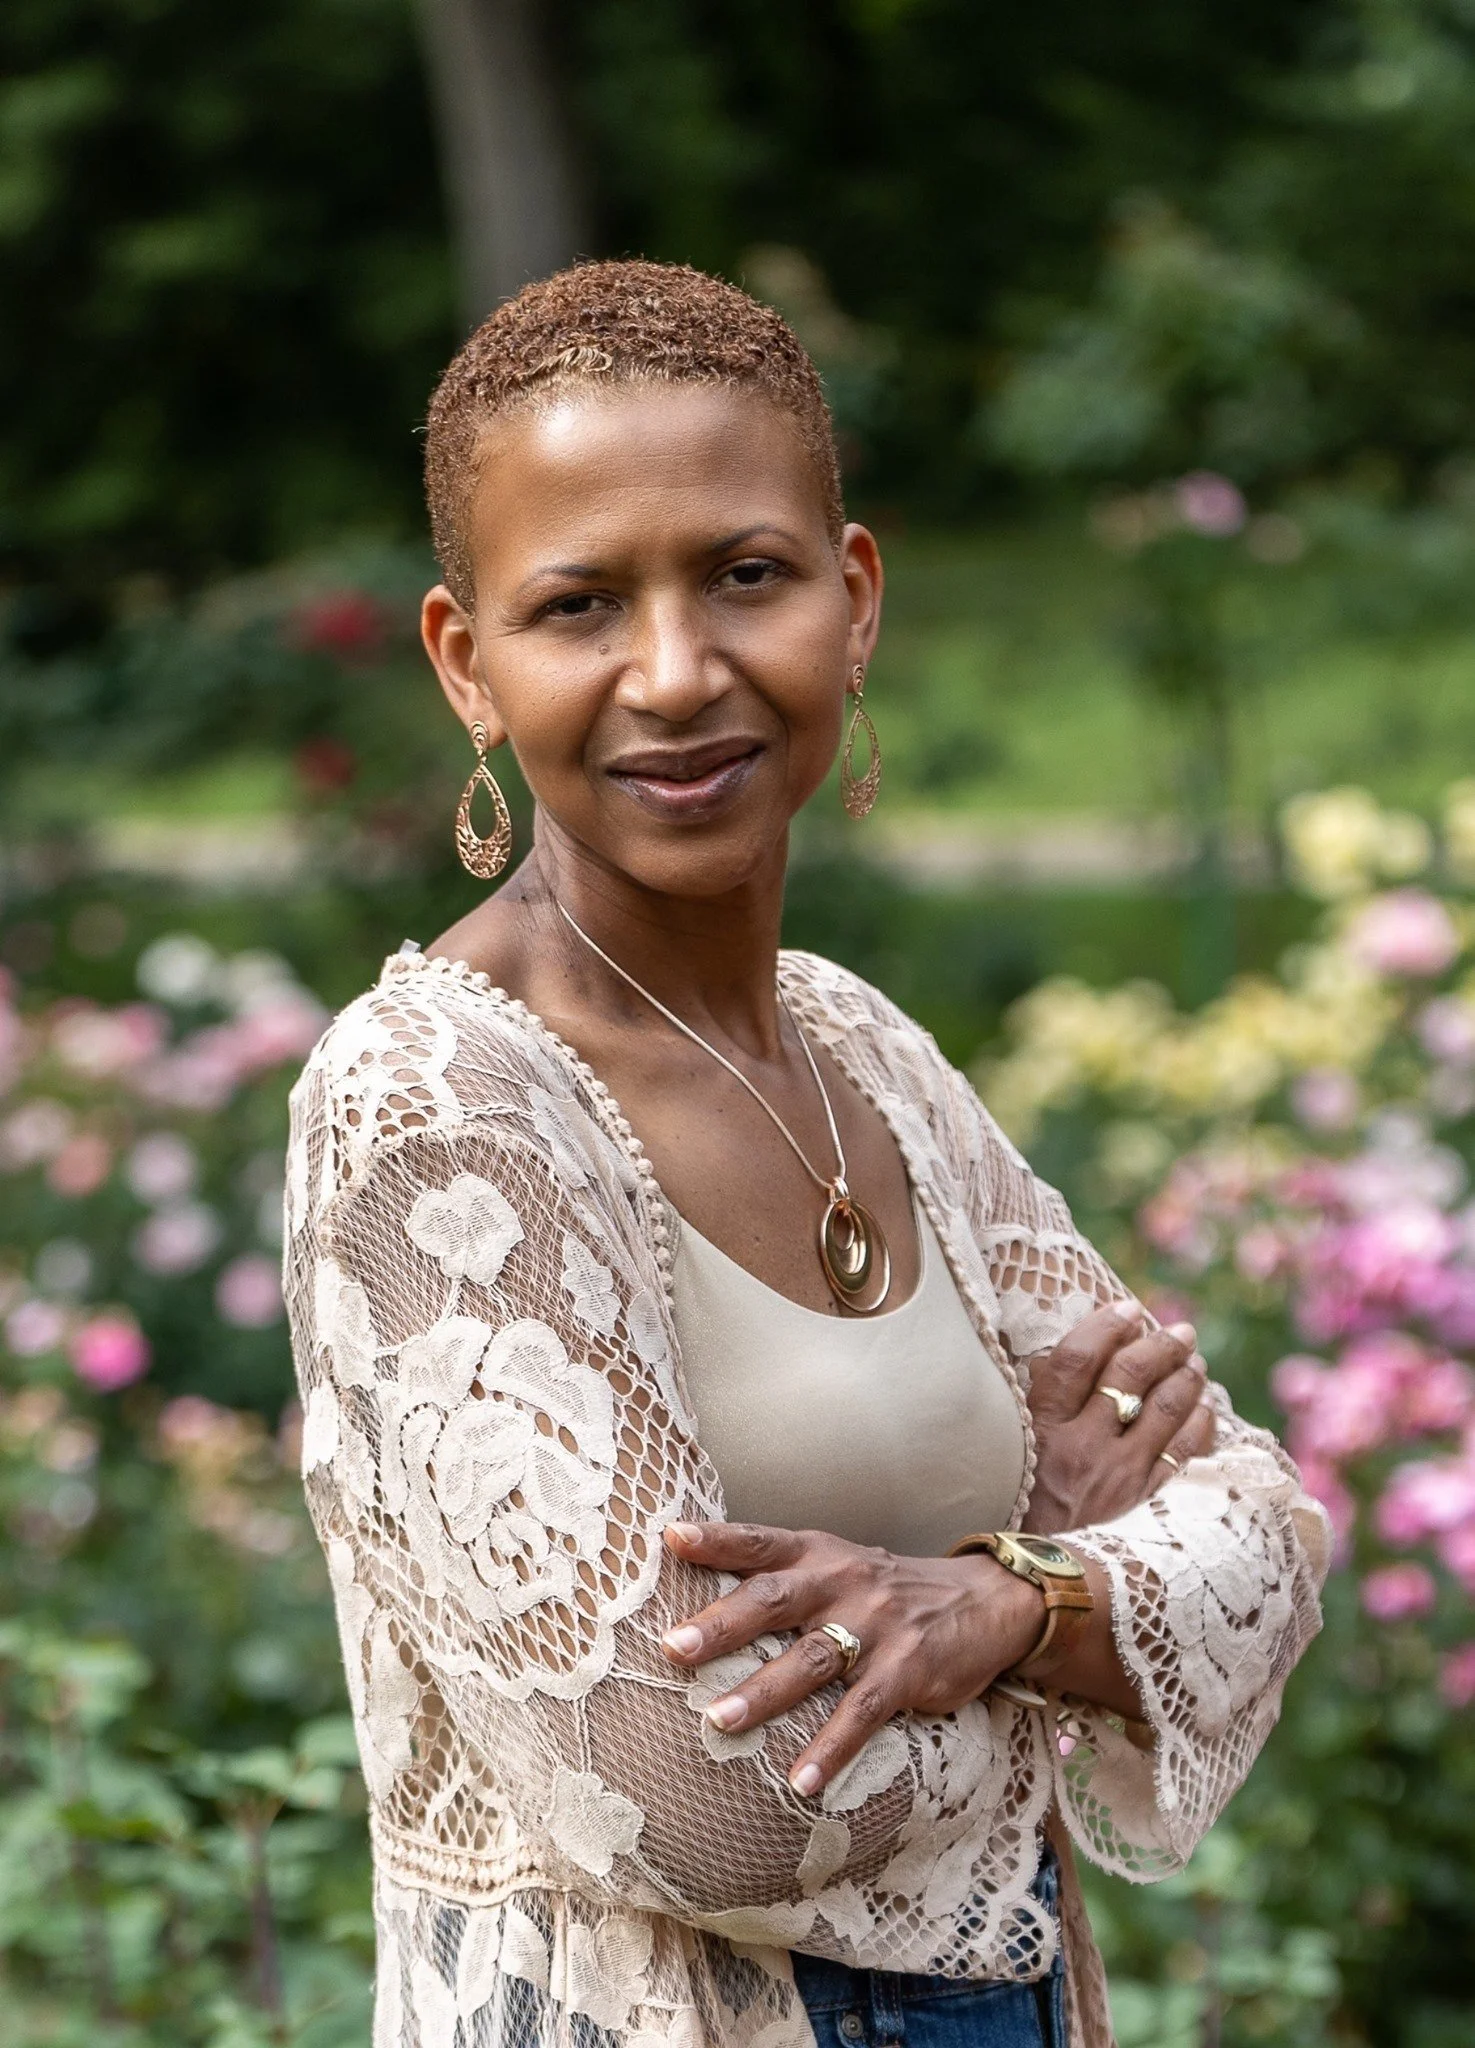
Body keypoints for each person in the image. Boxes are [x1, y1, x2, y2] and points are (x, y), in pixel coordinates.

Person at [282, 260, 1330, 2048]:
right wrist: (1059, 1599)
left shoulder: (858, 1049)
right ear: (468, 666)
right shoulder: (435, 1107)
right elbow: (692, 1801)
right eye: (579, 605)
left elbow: (1268, 1534)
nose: (675, 673)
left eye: (744, 576)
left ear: (854, 602)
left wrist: (990, 1601)